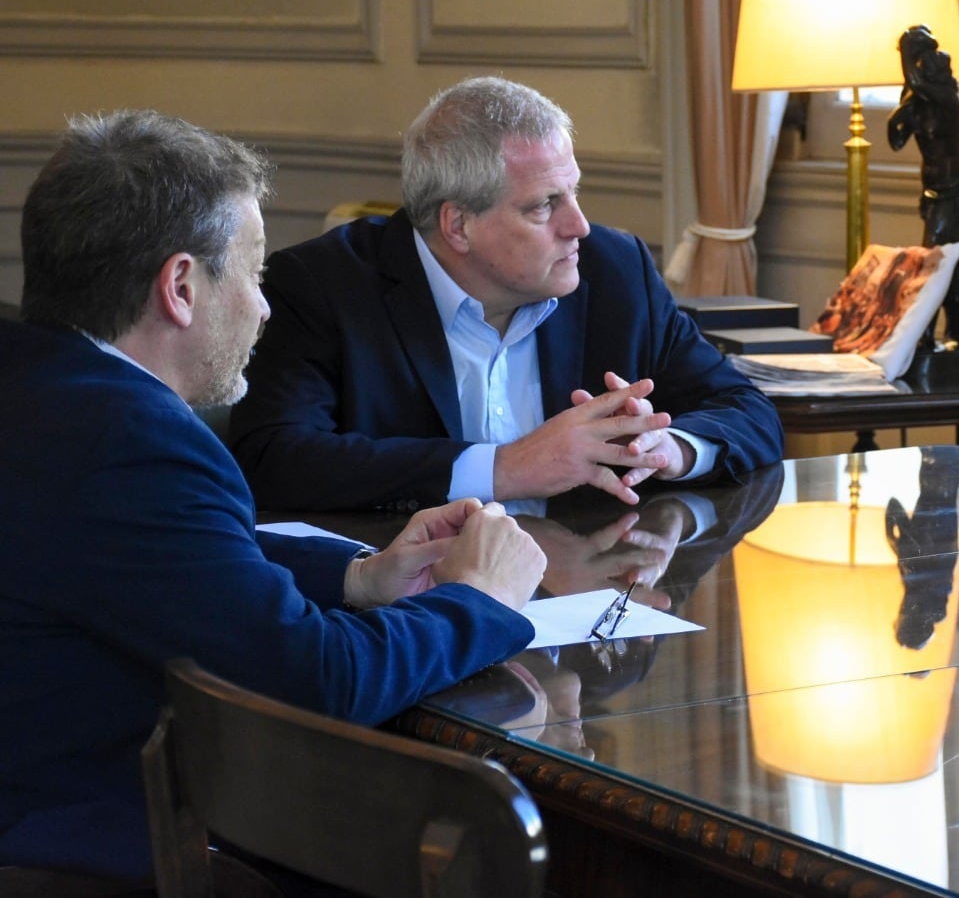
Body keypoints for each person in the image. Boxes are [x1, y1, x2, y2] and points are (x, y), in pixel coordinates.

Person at [0, 111, 548, 883]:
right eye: (253, 273)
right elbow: (318, 681)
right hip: (91, 852)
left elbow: (168, 549)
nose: (262, 307)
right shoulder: (127, 441)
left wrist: (358, 576)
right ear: (181, 286)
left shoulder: (38, 383)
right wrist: (482, 599)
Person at [229, 75, 783, 513]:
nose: (579, 226)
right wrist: (506, 467)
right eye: (544, 205)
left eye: (574, 192)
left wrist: (670, 449)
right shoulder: (323, 285)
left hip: (584, 594)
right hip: (412, 613)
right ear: (458, 226)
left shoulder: (616, 273)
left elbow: (747, 410)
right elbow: (274, 458)